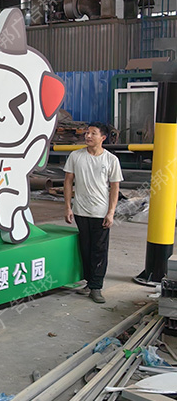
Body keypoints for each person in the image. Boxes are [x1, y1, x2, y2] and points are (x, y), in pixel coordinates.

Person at [63, 122, 122, 303]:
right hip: (80, 210)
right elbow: (68, 181)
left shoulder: (111, 160)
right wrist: (68, 207)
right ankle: (89, 282)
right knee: (85, 248)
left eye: (93, 133)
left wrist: (111, 212)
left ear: (102, 138)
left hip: (100, 212)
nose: (88, 136)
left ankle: (96, 287)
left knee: (99, 250)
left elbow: (114, 188)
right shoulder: (75, 156)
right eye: (87, 133)